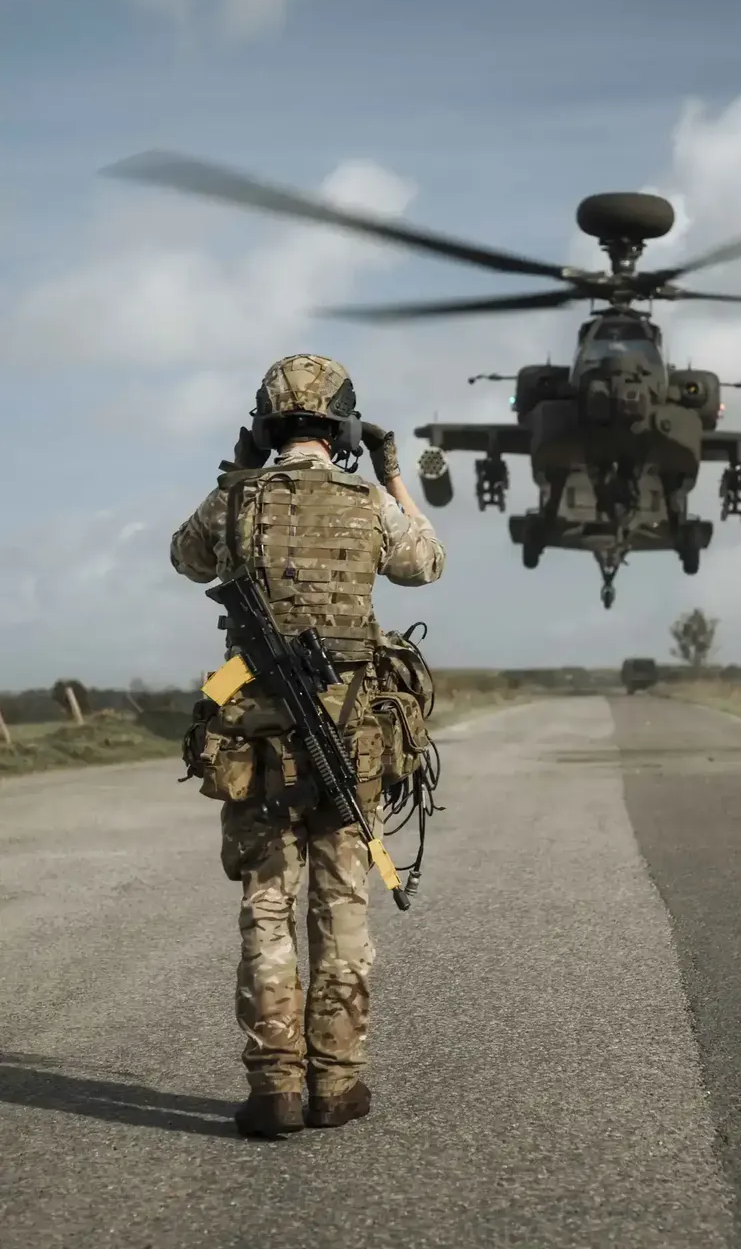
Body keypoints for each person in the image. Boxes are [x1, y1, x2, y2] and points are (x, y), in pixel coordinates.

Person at [170, 353, 445, 1139]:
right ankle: (338, 1083)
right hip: (351, 732)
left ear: (264, 422)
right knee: (341, 902)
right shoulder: (366, 501)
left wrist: (239, 472)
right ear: (343, 423)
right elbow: (423, 565)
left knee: (266, 906)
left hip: (257, 735)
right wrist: (393, 473)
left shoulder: (234, 503)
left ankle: (274, 1090)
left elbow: (184, 559)